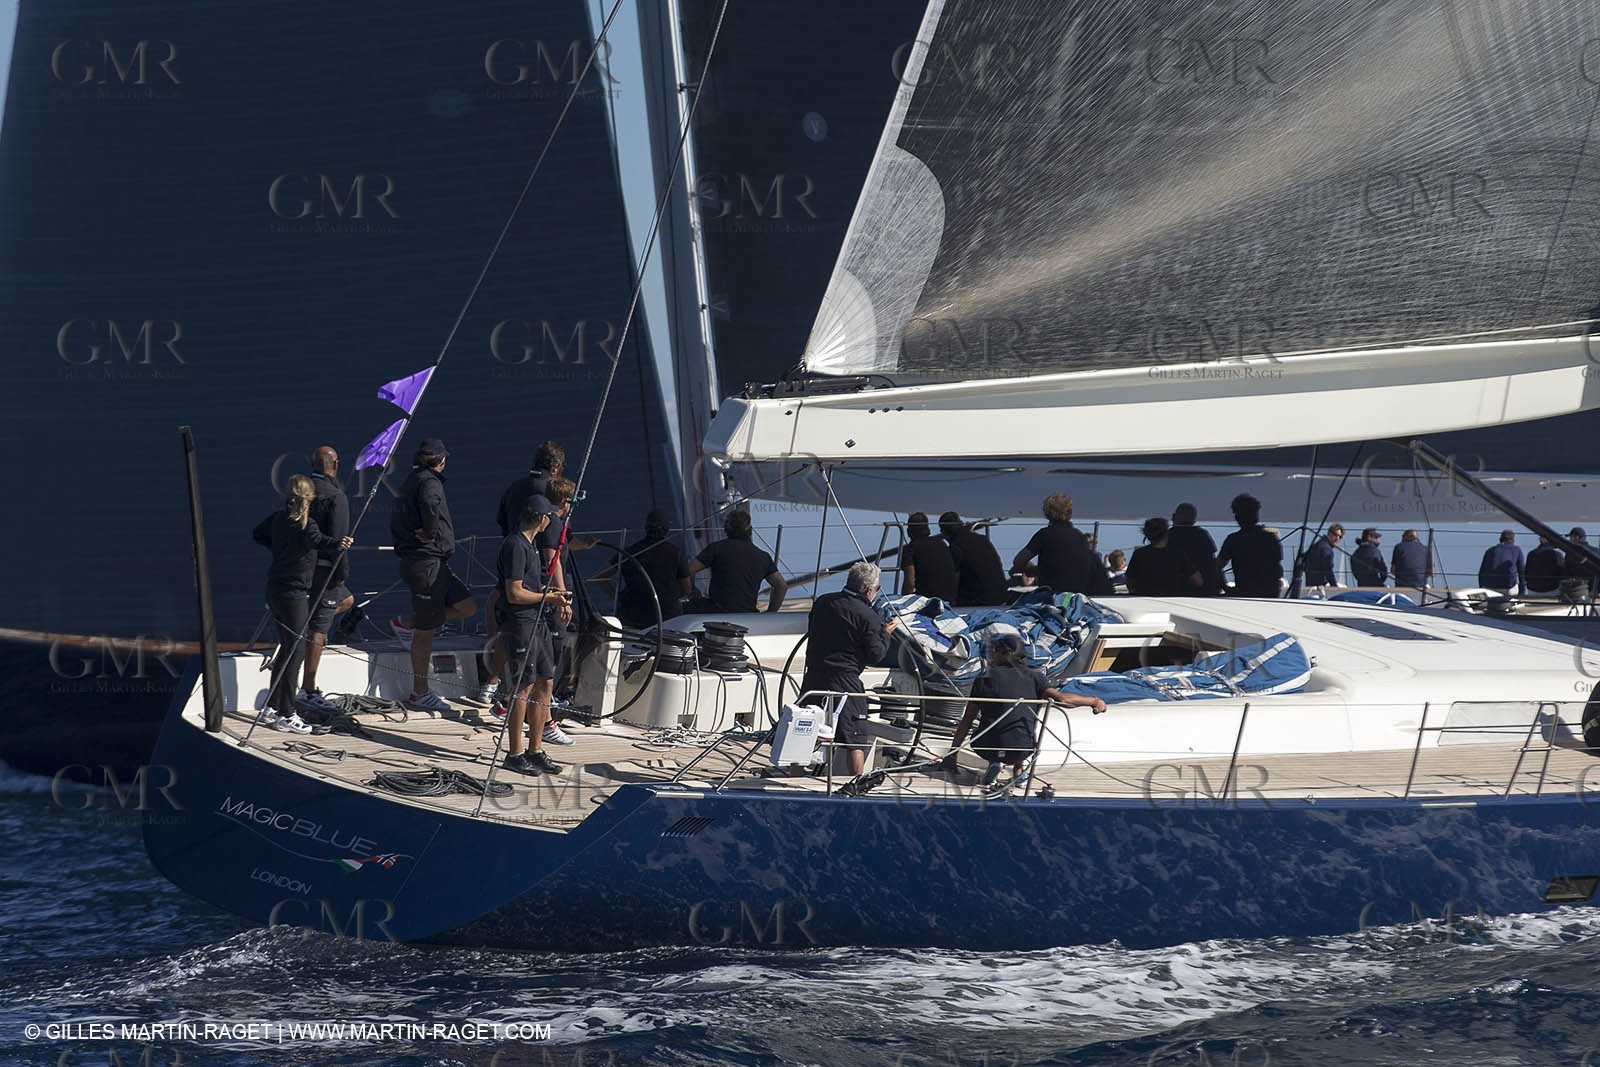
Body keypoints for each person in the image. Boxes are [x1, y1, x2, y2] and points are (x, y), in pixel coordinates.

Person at [253, 475, 353, 734]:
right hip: (295, 594)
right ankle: (286, 714)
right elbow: (323, 543)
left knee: (287, 649)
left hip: (274, 590)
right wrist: (341, 543)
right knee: (294, 652)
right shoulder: (307, 525)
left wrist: (280, 549)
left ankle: (272, 706)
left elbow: (258, 534)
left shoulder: (277, 520)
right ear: (310, 498)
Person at [388, 439, 477, 711]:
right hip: (425, 562)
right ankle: (419, 692)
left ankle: (408, 621)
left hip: (434, 562)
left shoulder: (409, 481)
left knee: (467, 606)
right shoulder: (429, 482)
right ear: (440, 461)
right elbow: (429, 503)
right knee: (425, 632)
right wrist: (430, 531)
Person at [950, 634, 1105, 787]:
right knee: (1022, 724)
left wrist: (951, 756)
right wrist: (1094, 701)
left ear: (1001, 653)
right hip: (1022, 749)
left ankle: (995, 762)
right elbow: (1063, 699)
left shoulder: (983, 679)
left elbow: (967, 720)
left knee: (986, 729)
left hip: (987, 746)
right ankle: (1018, 772)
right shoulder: (1036, 677)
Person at [799, 561, 897, 778]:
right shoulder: (868, 615)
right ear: (869, 590)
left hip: (814, 675)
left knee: (803, 729)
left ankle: (793, 775)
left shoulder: (823, 602)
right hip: (844, 680)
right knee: (855, 736)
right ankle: (856, 784)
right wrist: (885, 634)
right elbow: (876, 654)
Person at [495, 495, 567, 775]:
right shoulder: (515, 546)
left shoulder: (531, 545)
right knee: (521, 687)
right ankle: (514, 754)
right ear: (540, 518)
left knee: (545, 682)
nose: (550, 520)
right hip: (521, 624)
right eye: (548, 516)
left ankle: (535, 749)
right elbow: (514, 593)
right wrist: (548, 598)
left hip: (538, 623)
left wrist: (551, 596)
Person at [299, 446, 354, 712]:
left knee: (347, 601)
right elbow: (339, 542)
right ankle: (308, 689)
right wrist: (341, 574)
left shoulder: (298, 493)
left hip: (297, 568)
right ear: (336, 465)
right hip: (324, 570)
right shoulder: (335, 497)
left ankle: (301, 632)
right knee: (319, 627)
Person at [596, 507, 692, 629]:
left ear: (646, 528)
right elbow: (687, 589)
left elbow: (600, 577)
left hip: (633, 614)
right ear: (667, 529)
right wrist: (673, 597)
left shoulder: (629, 552)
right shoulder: (676, 553)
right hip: (667, 616)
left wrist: (619, 597)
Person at [1011, 493, 1111, 596]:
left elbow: (1018, 560)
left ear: (1046, 513)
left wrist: (1030, 569)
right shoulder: (1079, 537)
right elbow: (1066, 568)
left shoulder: (1044, 535)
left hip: (1053, 597)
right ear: (1070, 512)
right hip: (1074, 598)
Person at [690, 509, 787, 612]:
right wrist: (771, 613)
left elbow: (690, 569)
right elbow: (781, 586)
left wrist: (692, 590)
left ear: (726, 530)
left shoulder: (717, 548)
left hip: (716, 611)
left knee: (681, 608)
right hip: (747, 614)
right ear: (750, 530)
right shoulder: (763, 557)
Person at [1215, 494, 1282, 597]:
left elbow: (1217, 566)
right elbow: (1278, 569)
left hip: (1244, 593)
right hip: (1271, 594)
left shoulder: (1233, 540)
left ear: (1237, 516)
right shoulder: (1272, 538)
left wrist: (1225, 588)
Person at [940, 511, 1009, 606]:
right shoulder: (983, 540)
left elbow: (953, 583)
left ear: (944, 533)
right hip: (1001, 596)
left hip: (979, 601)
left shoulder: (956, 547)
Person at [1125, 517, 1202, 596]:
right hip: (1174, 602)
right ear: (1166, 533)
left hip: (1145, 601)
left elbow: (1130, 581)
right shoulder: (1178, 554)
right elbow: (1198, 581)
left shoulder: (1139, 554)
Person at [900, 511, 959, 601]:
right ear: (928, 529)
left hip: (928, 600)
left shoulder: (910, 549)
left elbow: (910, 583)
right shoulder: (942, 544)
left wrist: (903, 602)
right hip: (950, 598)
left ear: (909, 532)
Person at [1167, 502, 1221, 595]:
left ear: (1174, 516)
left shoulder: (1167, 536)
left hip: (1175, 588)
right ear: (1194, 519)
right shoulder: (1202, 534)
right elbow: (1213, 563)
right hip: (1205, 589)